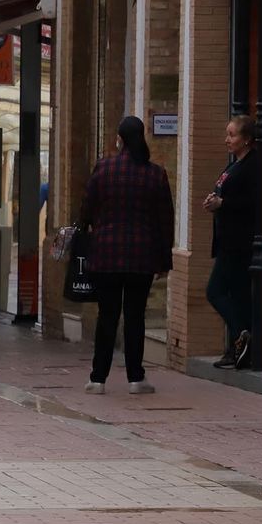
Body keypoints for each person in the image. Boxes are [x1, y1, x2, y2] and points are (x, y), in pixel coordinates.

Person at [77, 116, 175, 395]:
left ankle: (98, 378)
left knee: (107, 315)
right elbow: (165, 220)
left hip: (106, 255)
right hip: (141, 257)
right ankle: (135, 378)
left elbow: (86, 208)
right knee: (135, 316)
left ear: (119, 139)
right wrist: (164, 260)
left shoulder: (103, 168)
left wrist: (89, 229)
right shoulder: (155, 174)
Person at [205, 114, 257, 369]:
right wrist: (214, 200)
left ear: (246, 139)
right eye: (227, 134)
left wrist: (223, 203)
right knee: (237, 295)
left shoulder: (252, 166)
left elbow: (252, 203)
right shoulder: (234, 165)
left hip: (238, 243)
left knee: (214, 291)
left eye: (232, 135)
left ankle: (243, 333)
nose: (227, 139)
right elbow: (224, 193)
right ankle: (237, 350)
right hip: (226, 240)